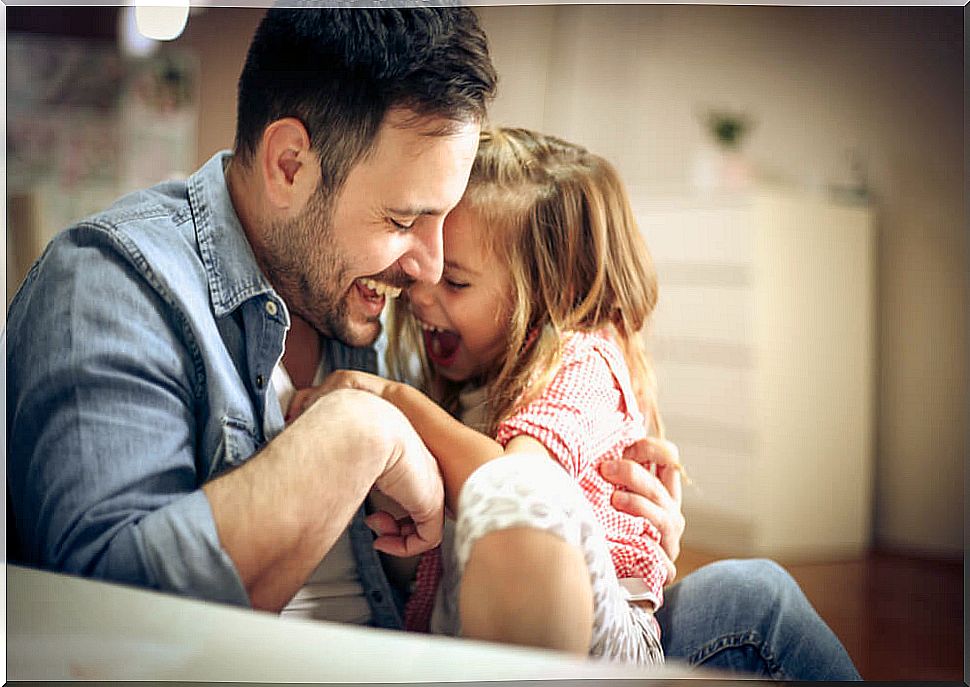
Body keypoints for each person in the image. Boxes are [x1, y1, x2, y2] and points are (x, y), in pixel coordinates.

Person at [5, 6, 860, 680]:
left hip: (434, 640)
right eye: (405, 218)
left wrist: (614, 527)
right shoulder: (111, 286)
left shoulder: (357, 295)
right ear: (290, 163)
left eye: (443, 223)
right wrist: (358, 432)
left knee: (753, 596)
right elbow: (102, 621)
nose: (430, 267)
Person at [289, 127, 677, 664]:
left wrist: (391, 401)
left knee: (514, 490)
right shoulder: (466, 381)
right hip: (464, 630)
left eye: (456, 282)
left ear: (551, 292)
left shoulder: (584, 362)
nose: (420, 292)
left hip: (605, 639)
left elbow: (517, 483)